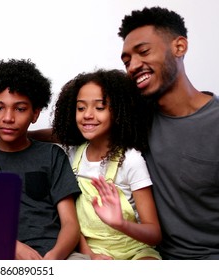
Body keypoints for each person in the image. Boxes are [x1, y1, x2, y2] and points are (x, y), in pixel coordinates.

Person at [118, 6, 219, 260]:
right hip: (156, 259)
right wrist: (12, 132)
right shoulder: (136, 118)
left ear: (179, 47)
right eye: (126, 61)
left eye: (143, 52)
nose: (133, 66)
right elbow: (77, 129)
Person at [52, 68, 161, 260]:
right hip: (89, 250)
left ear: (119, 111)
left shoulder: (130, 160)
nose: (87, 115)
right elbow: (72, 223)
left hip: (135, 250)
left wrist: (120, 223)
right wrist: (91, 255)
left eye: (99, 107)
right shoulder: (72, 156)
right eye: (81, 107)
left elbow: (154, 235)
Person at [0, 58, 84, 260]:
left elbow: (70, 224)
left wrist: (53, 257)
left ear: (35, 113)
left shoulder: (52, 155)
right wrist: (14, 246)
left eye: (20, 109)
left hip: (57, 255)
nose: (8, 117)